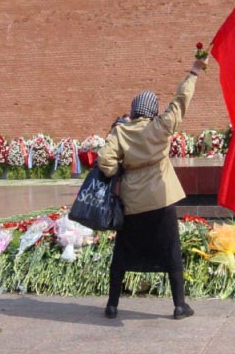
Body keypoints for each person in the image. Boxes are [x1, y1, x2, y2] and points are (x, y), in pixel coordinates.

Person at [97, 56, 208, 320]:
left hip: (132, 203)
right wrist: (193, 72)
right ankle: (180, 305)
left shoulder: (120, 133)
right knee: (171, 249)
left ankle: (112, 305)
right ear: (152, 110)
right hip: (162, 198)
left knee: (122, 251)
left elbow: (104, 161)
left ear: (134, 110)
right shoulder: (161, 127)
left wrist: (118, 171)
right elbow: (180, 102)